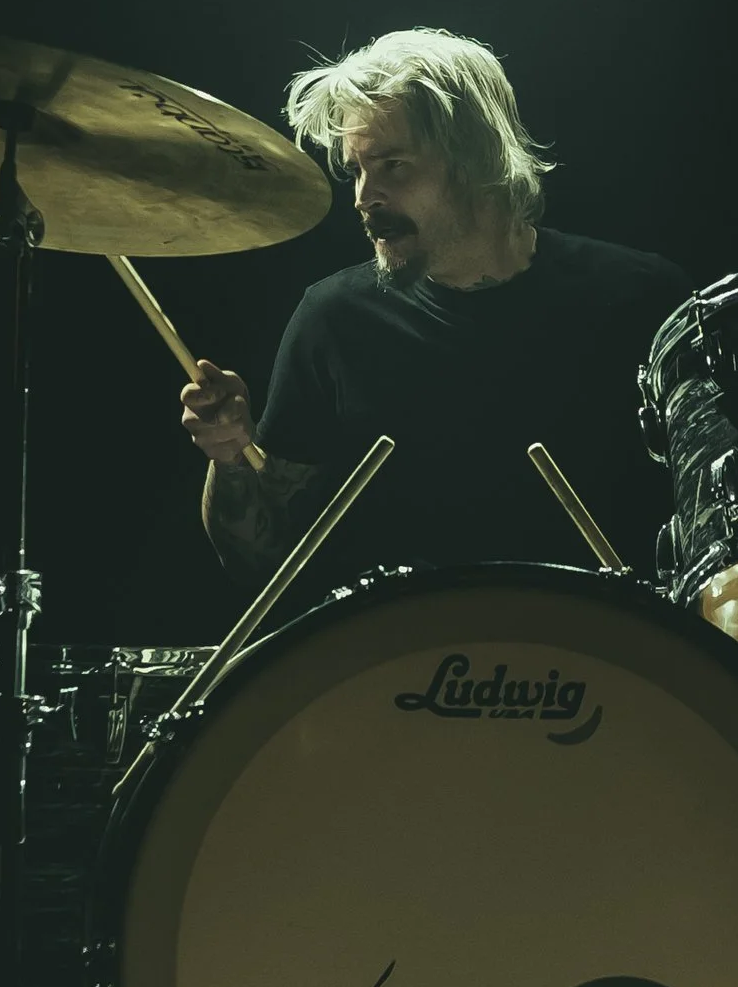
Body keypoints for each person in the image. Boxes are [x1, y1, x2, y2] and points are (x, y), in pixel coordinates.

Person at [179, 28, 687, 584]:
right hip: (408, 640)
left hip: (615, 635)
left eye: (392, 165)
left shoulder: (640, 299)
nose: (364, 196)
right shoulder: (334, 323)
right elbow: (257, 557)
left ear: (476, 158)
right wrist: (230, 459)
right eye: (357, 170)